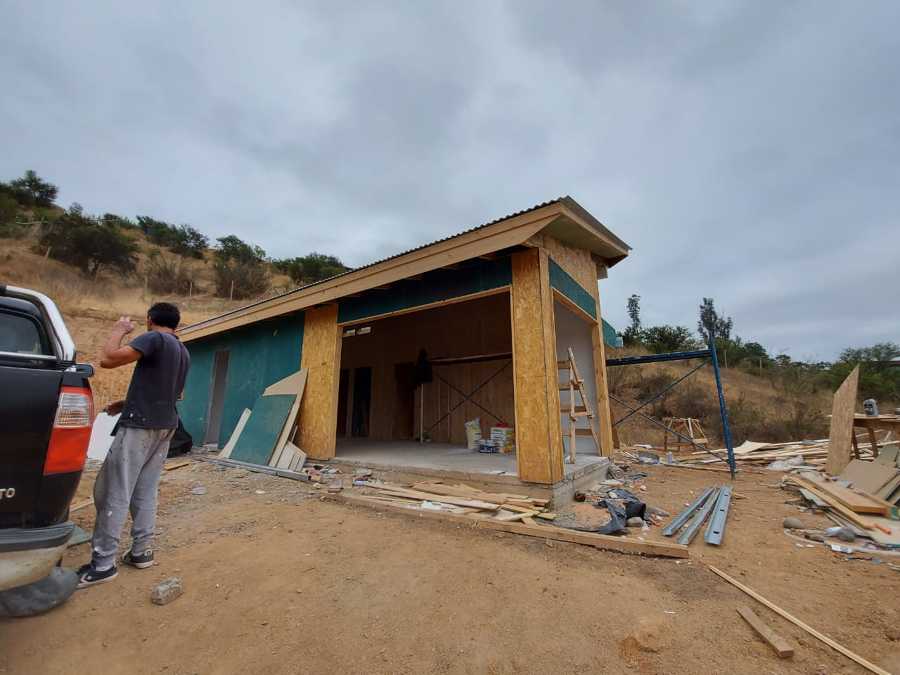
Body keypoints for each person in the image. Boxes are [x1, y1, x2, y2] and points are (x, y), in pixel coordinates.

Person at [77, 302, 190, 588]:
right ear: (175, 323)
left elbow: (109, 359)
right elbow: (176, 393)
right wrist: (125, 403)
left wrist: (119, 330)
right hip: (166, 425)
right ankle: (141, 551)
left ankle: (102, 565)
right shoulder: (182, 350)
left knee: (113, 489)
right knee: (145, 490)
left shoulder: (154, 338)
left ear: (150, 320)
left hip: (141, 425)